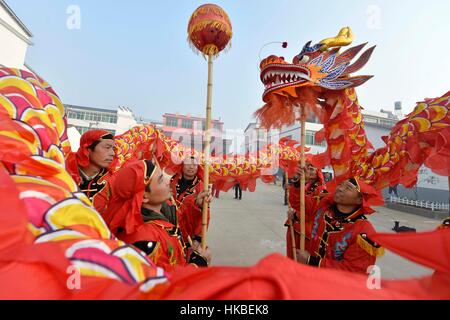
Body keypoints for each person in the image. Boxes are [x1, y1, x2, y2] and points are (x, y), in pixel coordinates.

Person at [102, 159, 211, 272]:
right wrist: (198, 262)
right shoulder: (144, 238)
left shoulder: (164, 209)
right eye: (160, 180)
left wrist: (197, 204)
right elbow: (164, 282)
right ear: (144, 197)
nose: (167, 182)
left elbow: (182, 222)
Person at [296, 177, 385, 273]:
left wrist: (311, 261)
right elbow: (300, 205)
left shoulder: (364, 231)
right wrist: (297, 182)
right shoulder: (324, 207)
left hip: (333, 285)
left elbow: (353, 270)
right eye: (340, 184)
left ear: (360, 200)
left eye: (348, 188)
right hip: (307, 274)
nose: (340, 188)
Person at [65, 129, 115, 214]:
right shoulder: (64, 170)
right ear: (87, 149)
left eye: (113, 148)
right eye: (107, 148)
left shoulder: (112, 181)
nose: (112, 153)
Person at [286, 160, 327, 258]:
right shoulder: (305, 185)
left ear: (318, 172)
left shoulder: (321, 190)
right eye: (307, 168)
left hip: (307, 233)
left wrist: (296, 215)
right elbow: (295, 203)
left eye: (312, 168)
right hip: (296, 228)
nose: (309, 170)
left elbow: (313, 212)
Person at [170, 156, 212, 244]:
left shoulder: (201, 187)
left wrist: (198, 238)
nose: (191, 167)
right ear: (182, 165)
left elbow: (205, 214)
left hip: (188, 234)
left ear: (198, 167)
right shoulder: (173, 181)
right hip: (170, 229)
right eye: (188, 163)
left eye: (194, 164)